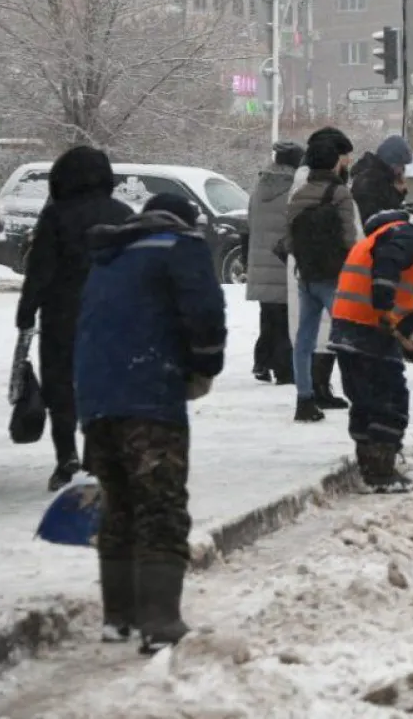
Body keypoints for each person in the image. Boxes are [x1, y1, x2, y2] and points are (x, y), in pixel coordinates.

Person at [74, 193, 226, 654]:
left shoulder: (109, 256)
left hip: (97, 398)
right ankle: (160, 623)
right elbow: (205, 313)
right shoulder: (180, 245)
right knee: (160, 506)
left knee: (118, 505)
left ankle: (118, 618)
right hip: (149, 393)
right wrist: (204, 364)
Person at [16, 146, 134, 491]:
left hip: (62, 316)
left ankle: (66, 456)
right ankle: (95, 456)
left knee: (60, 387)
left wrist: (26, 312)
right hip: (111, 317)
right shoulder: (124, 214)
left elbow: (39, 270)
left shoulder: (56, 217)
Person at [328, 202, 413, 493]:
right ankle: (381, 471)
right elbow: (388, 260)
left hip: (347, 327)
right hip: (369, 330)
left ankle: (370, 464)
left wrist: (405, 343)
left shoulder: (385, 230)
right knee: (390, 400)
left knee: (364, 400)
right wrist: (383, 304)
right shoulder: (407, 235)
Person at [286, 128, 358, 422]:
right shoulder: (340, 193)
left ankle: (304, 399)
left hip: (307, 276)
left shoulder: (298, 195)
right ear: (333, 164)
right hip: (335, 277)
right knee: (348, 337)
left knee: (304, 340)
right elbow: (349, 239)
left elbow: (289, 240)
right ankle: (362, 395)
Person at [245, 140, 302, 384]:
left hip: (260, 262)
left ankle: (262, 362)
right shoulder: (293, 188)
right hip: (281, 261)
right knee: (283, 320)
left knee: (268, 316)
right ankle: (283, 369)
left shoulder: (260, 186)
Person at [350, 134, 412, 220]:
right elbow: (378, 217)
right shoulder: (370, 181)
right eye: (400, 165)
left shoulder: (382, 177)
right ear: (391, 163)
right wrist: (397, 193)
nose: (402, 170)